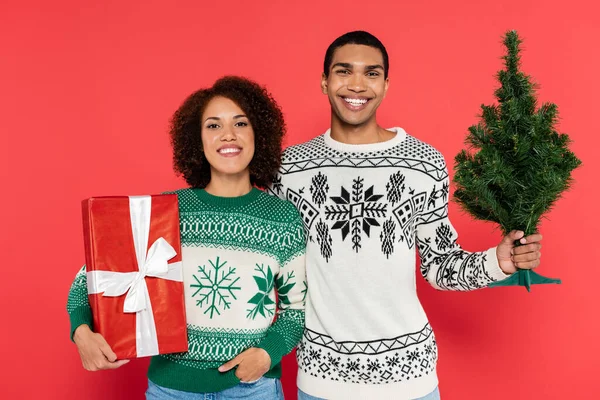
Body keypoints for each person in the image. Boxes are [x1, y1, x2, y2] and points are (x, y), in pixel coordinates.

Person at [268, 31, 543, 400]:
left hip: (409, 379)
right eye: (344, 71)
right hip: (321, 380)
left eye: (371, 73)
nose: (357, 84)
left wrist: (499, 261)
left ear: (385, 84)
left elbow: (440, 266)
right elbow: (269, 267)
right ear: (324, 81)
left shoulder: (423, 163)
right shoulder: (288, 169)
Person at [67, 76, 307, 400]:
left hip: (254, 389)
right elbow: (91, 279)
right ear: (197, 139)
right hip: (172, 390)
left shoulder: (282, 218)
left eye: (241, 122)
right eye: (213, 125)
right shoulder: (167, 210)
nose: (228, 135)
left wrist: (267, 354)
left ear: (258, 134)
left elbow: (296, 307)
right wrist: (81, 330)